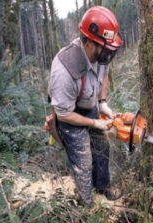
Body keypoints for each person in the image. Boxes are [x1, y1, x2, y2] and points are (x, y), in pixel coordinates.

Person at [48, 6, 122, 206]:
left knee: (102, 146)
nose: (109, 53)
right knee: (84, 160)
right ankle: (87, 204)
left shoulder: (101, 52)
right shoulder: (64, 71)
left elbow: (104, 73)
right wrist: (92, 123)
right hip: (70, 115)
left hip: (89, 104)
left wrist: (102, 102)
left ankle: (103, 190)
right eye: (105, 49)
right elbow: (63, 114)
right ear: (89, 42)